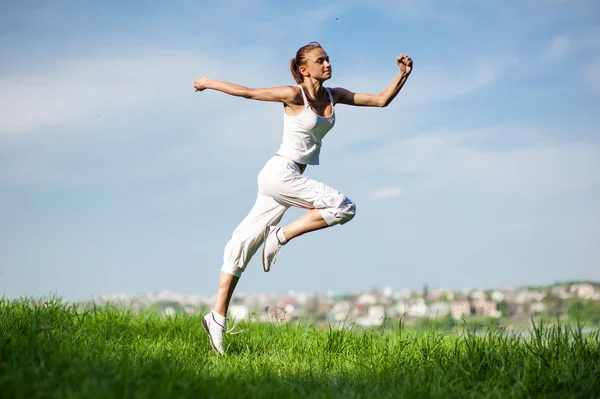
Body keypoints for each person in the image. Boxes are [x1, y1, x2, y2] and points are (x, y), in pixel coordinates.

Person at [193, 42, 412, 355]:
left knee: (242, 242)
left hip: (288, 179)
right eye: (320, 60)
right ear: (304, 68)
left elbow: (380, 100)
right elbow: (249, 92)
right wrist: (209, 82)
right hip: (280, 174)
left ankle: (216, 316)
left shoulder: (334, 95)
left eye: (328, 59)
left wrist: (402, 75)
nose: (327, 63)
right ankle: (279, 236)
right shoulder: (294, 94)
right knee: (343, 207)